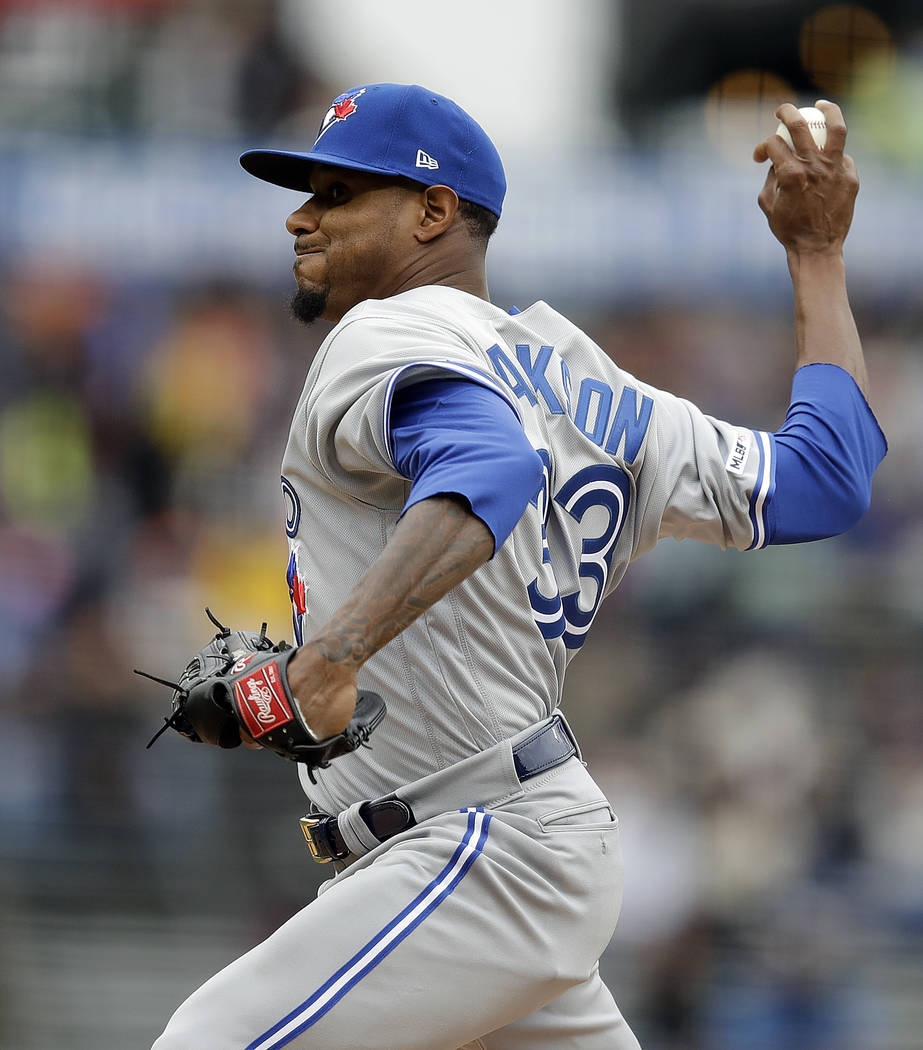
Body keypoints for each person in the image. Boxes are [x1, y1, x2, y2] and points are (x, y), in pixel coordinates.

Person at [151, 84, 886, 1050]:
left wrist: (323, 662)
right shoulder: (606, 393)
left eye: (335, 194)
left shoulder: (390, 329)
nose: (300, 216)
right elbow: (824, 479)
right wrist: (817, 257)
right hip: (507, 847)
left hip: (478, 850)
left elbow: (487, 465)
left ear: (432, 211)